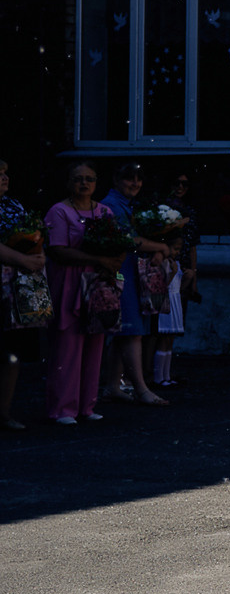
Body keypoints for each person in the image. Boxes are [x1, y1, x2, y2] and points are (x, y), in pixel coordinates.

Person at [44, 164, 121, 426]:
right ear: (69, 183)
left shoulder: (104, 211)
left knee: (95, 342)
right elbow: (57, 250)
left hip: (97, 282)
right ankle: (63, 408)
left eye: (89, 179)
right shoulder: (59, 211)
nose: (84, 184)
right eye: (78, 179)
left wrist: (115, 260)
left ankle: (87, 406)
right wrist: (99, 257)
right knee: (67, 345)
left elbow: (120, 243)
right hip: (69, 281)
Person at [98, 163, 171, 407]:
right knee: (132, 332)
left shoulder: (127, 205)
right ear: (117, 180)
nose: (135, 184)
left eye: (139, 179)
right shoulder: (112, 205)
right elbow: (129, 240)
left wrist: (156, 250)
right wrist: (160, 247)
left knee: (124, 332)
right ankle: (140, 388)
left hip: (130, 271)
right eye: (130, 179)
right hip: (121, 273)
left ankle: (113, 385)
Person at [0, 157, 50, 429]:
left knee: (12, 350)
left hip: (18, 286)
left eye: (6, 173)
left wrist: (38, 255)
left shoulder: (14, 205)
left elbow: (35, 233)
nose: (4, 178)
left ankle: (4, 412)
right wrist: (24, 260)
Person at [148, 169, 201, 389]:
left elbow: (193, 245)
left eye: (185, 184)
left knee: (173, 328)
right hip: (163, 267)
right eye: (176, 183)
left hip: (181, 269)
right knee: (156, 328)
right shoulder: (159, 209)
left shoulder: (190, 211)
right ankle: (150, 373)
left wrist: (194, 273)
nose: (180, 188)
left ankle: (164, 372)